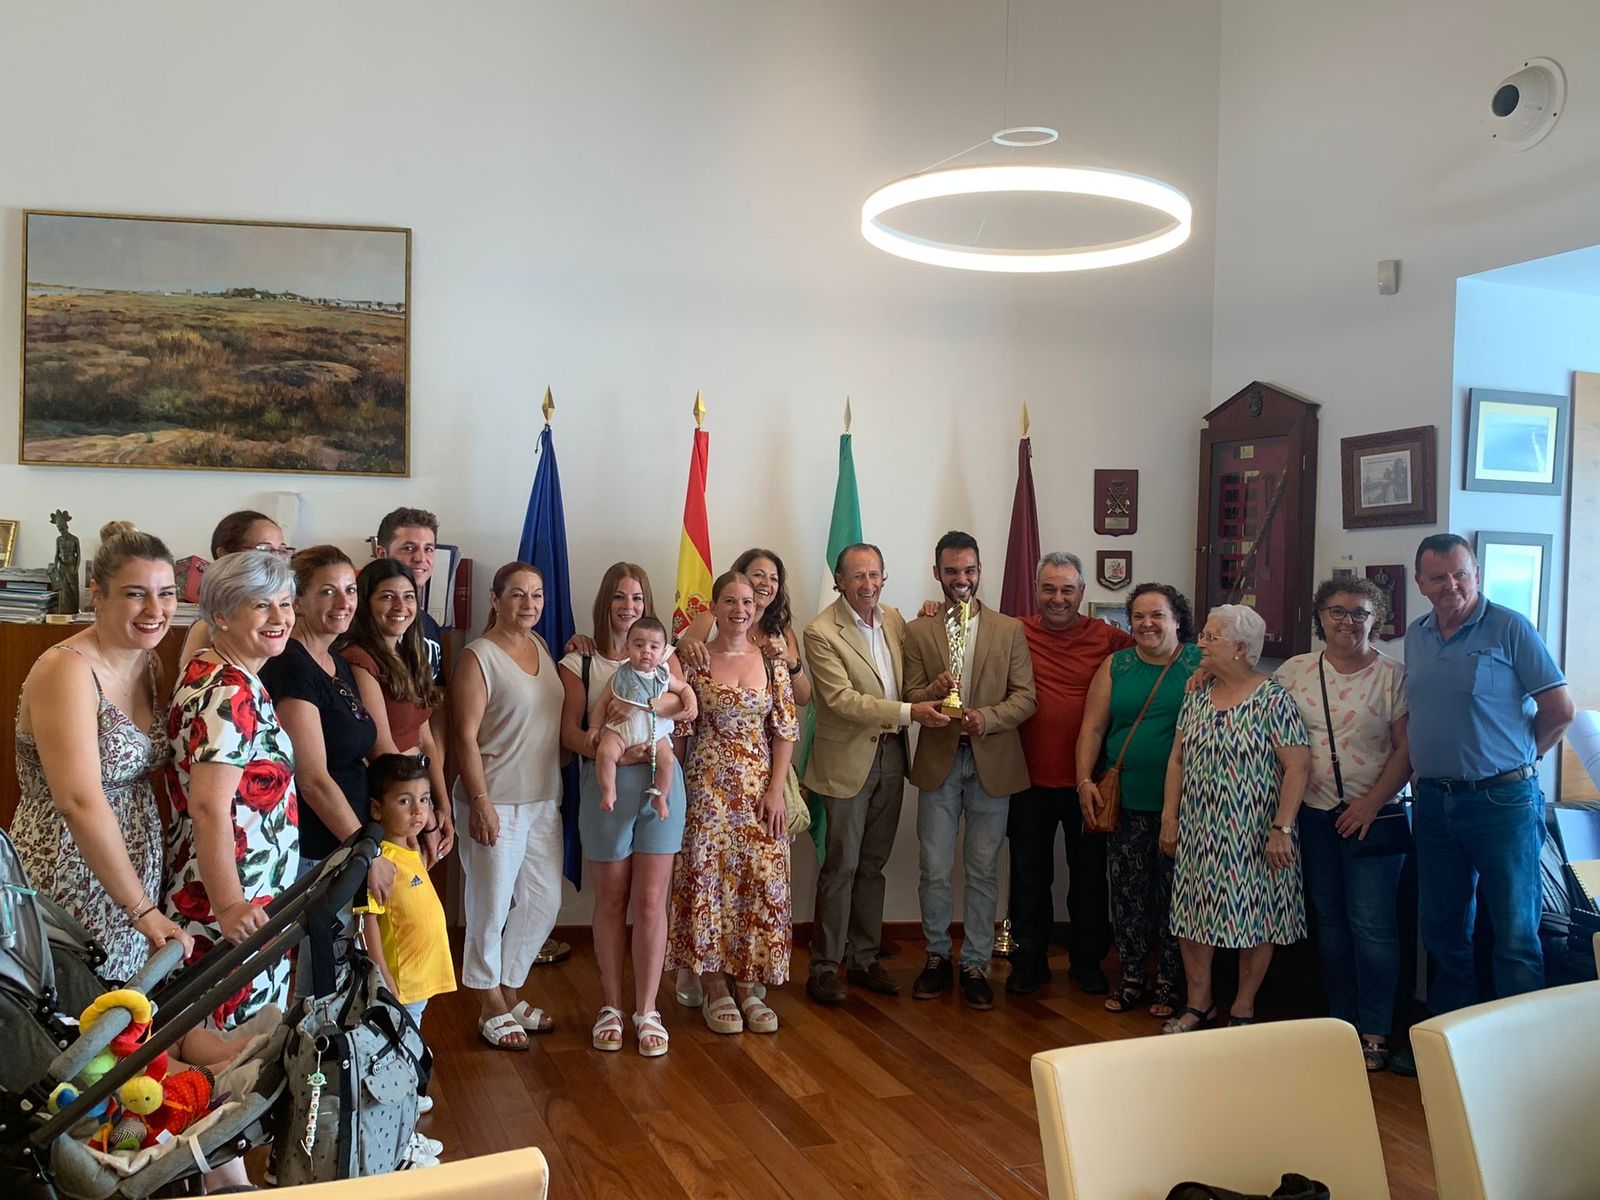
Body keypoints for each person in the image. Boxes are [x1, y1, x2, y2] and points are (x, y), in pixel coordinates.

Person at [1396, 533, 1573, 1067]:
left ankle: (1521, 1060)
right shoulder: (1416, 635)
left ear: (1476, 573)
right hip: (1434, 803)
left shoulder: (1510, 627)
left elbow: (1560, 710)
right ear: (1421, 583)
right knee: (1444, 932)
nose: (1451, 585)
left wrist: (1518, 759)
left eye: (1461, 573)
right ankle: (1453, 1054)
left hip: (1504, 804)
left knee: (1516, 935)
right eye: (1438, 577)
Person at [13, 522, 193, 980]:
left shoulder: (148, 661)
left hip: (131, 871)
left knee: (124, 1007)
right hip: (68, 869)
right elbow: (77, 801)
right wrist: (142, 909)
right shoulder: (66, 670)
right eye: (136, 594)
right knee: (78, 1007)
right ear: (97, 594)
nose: (155, 610)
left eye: (167, 594)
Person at [803, 543, 951, 1006]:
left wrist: (933, 683)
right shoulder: (820, 631)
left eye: (874, 575)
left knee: (872, 865)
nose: (868, 585)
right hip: (847, 762)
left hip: (891, 757)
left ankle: (864, 959)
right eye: (858, 576)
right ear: (839, 581)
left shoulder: (894, 620)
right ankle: (824, 968)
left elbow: (908, 685)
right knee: (841, 866)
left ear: (884, 577)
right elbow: (841, 701)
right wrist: (910, 712)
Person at [559, 563, 694, 1055]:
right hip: (609, 785)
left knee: (653, 901)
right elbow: (570, 733)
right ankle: (612, 1006)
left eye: (637, 598)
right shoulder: (581, 661)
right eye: (619, 597)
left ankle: (648, 1010)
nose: (628, 606)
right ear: (605, 602)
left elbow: (686, 708)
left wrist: (644, 710)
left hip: (660, 788)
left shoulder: (667, 657)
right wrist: (612, 752)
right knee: (612, 901)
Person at [1275, 577, 1410, 1071]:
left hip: (1372, 818)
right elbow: (1253, 702)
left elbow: (1407, 749)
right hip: (1315, 815)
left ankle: (1375, 1030)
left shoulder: (1392, 676)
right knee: (1329, 924)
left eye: (1359, 613)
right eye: (1337, 611)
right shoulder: (1295, 671)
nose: (1347, 621)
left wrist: (1371, 803)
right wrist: (1206, 672)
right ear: (1320, 616)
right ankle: (1341, 1024)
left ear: (1376, 619)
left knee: (1373, 927)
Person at [163, 551, 300, 1028]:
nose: (280, 617)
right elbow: (207, 807)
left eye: (285, 603)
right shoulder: (229, 691)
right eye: (261, 605)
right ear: (221, 615)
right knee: (232, 1043)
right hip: (228, 896)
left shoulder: (219, 669)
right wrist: (229, 905)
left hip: (243, 886)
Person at [1160, 604, 1311, 1033]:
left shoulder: (1274, 700)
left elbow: (1298, 767)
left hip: (1255, 832)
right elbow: (1177, 760)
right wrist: (1170, 817)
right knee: (1192, 915)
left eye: (1211, 637)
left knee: (1257, 918)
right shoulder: (1197, 694)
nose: (1201, 644)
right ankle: (1199, 1003)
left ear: (1241, 648)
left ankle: (1243, 1007)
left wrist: (1282, 828)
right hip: (1198, 829)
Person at [902, 531, 1036, 1010]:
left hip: (991, 762)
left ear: (980, 571)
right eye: (952, 570)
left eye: (969, 570)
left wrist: (988, 718)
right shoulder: (919, 630)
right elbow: (909, 694)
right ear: (937, 573)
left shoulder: (1008, 629)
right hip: (939, 761)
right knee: (934, 868)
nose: (962, 579)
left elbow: (1026, 696)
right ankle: (937, 956)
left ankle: (976, 962)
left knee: (982, 870)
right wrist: (933, 692)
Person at [671, 545, 810, 1007]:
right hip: (706, 791)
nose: (740, 609)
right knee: (708, 882)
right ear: (713, 607)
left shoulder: (772, 660)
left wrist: (776, 792)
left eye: (747, 602)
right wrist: (676, 793)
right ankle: (713, 984)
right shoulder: (694, 661)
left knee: (759, 881)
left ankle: (749, 984)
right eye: (730, 601)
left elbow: (786, 730)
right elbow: (681, 732)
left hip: (760, 792)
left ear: (758, 607)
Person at [1007, 551, 1134, 997]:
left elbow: (1160, 652)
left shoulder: (1109, 637)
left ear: (1081, 592)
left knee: (1089, 878)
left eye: (1067, 589)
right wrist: (933, 608)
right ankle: (1028, 962)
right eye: (1049, 588)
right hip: (1026, 780)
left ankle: (1087, 962)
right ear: (1036, 590)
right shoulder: (1014, 631)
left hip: (1088, 783)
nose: (1057, 598)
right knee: (1028, 878)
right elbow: (964, 632)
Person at [1075, 582, 1202, 1019]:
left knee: (1174, 896)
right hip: (1125, 801)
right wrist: (1083, 781)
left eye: (1157, 615)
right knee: (1128, 893)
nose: (1147, 624)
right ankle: (1131, 975)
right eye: (1139, 616)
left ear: (1177, 620)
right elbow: (1093, 727)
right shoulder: (1117, 665)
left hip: (1185, 806)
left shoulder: (1200, 663)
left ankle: (1169, 980)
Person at [453, 562, 565, 1051]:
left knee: (544, 901)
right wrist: (480, 801)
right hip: (494, 799)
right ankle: (489, 1002)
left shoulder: (540, 645)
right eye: (517, 594)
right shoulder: (478, 656)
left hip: (543, 797)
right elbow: (464, 735)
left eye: (536, 595)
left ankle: (510, 987)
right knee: (490, 906)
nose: (529, 603)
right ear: (495, 600)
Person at [340, 559, 454, 862]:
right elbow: (382, 749)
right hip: (390, 802)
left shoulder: (408, 653)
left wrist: (442, 804)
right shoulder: (358, 658)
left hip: (415, 796)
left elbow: (426, 739)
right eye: (387, 597)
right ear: (366, 603)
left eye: (408, 596)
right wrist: (425, 816)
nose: (400, 606)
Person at [357, 755, 456, 1030]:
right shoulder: (381, 861)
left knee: (411, 1035)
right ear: (377, 809)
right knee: (400, 1041)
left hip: (421, 979)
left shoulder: (412, 852)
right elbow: (368, 921)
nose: (417, 810)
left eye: (424, 800)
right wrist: (382, 976)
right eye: (404, 801)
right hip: (401, 983)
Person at [590, 617, 691, 818]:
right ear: (627, 648)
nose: (646, 651)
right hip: (621, 732)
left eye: (654, 647)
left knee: (667, 760)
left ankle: (661, 797)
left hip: (656, 735)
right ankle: (609, 791)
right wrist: (594, 728)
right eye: (638, 645)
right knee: (605, 752)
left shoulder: (664, 676)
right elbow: (602, 703)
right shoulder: (619, 677)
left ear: (662, 653)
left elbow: (684, 689)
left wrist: (692, 704)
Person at [177, 510, 292, 666]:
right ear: (225, 555)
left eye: (282, 551)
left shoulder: (282, 618)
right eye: (264, 550)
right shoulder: (208, 629)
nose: (275, 560)